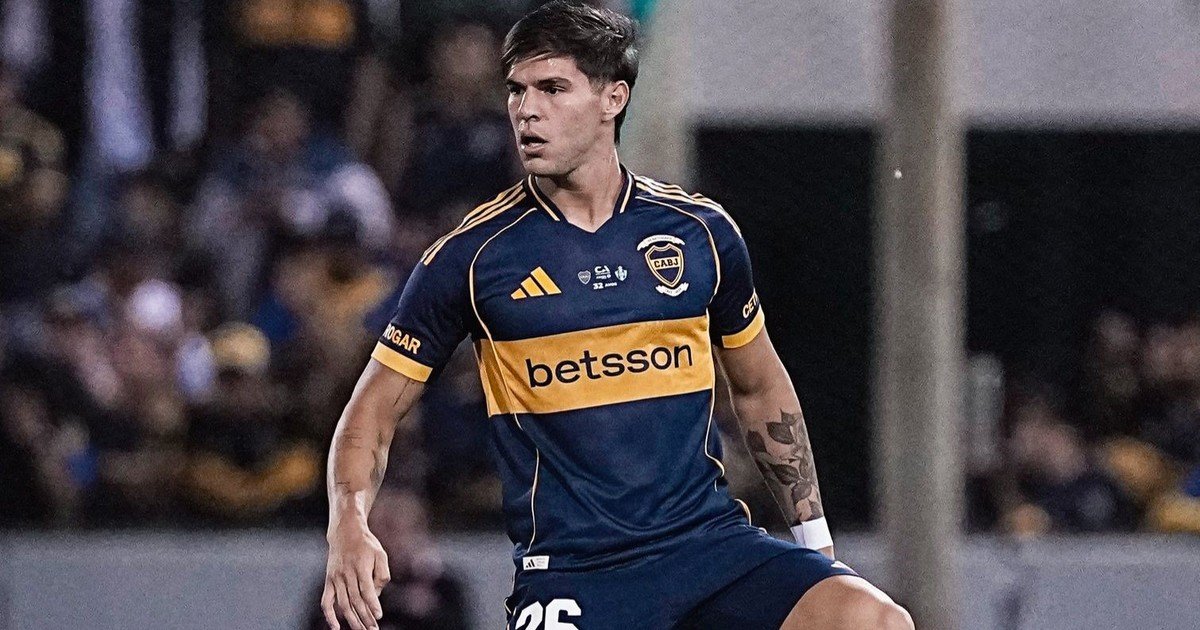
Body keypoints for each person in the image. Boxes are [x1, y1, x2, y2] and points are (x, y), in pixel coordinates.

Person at [321, 2, 913, 629]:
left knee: (874, 621)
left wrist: (816, 544)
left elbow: (760, 387)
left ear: (613, 98)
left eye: (553, 89)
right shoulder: (470, 258)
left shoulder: (699, 234)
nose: (526, 109)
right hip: (574, 573)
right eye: (517, 90)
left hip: (710, 550)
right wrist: (348, 523)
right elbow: (370, 413)